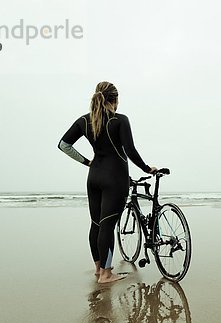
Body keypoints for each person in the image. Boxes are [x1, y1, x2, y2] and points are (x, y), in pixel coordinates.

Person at [58, 81, 156, 283]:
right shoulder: (120, 120)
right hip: (115, 177)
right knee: (107, 225)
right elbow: (129, 151)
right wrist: (147, 168)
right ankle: (106, 274)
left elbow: (63, 145)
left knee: (96, 224)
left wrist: (87, 162)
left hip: (94, 177)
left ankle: (98, 268)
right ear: (115, 100)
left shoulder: (84, 121)